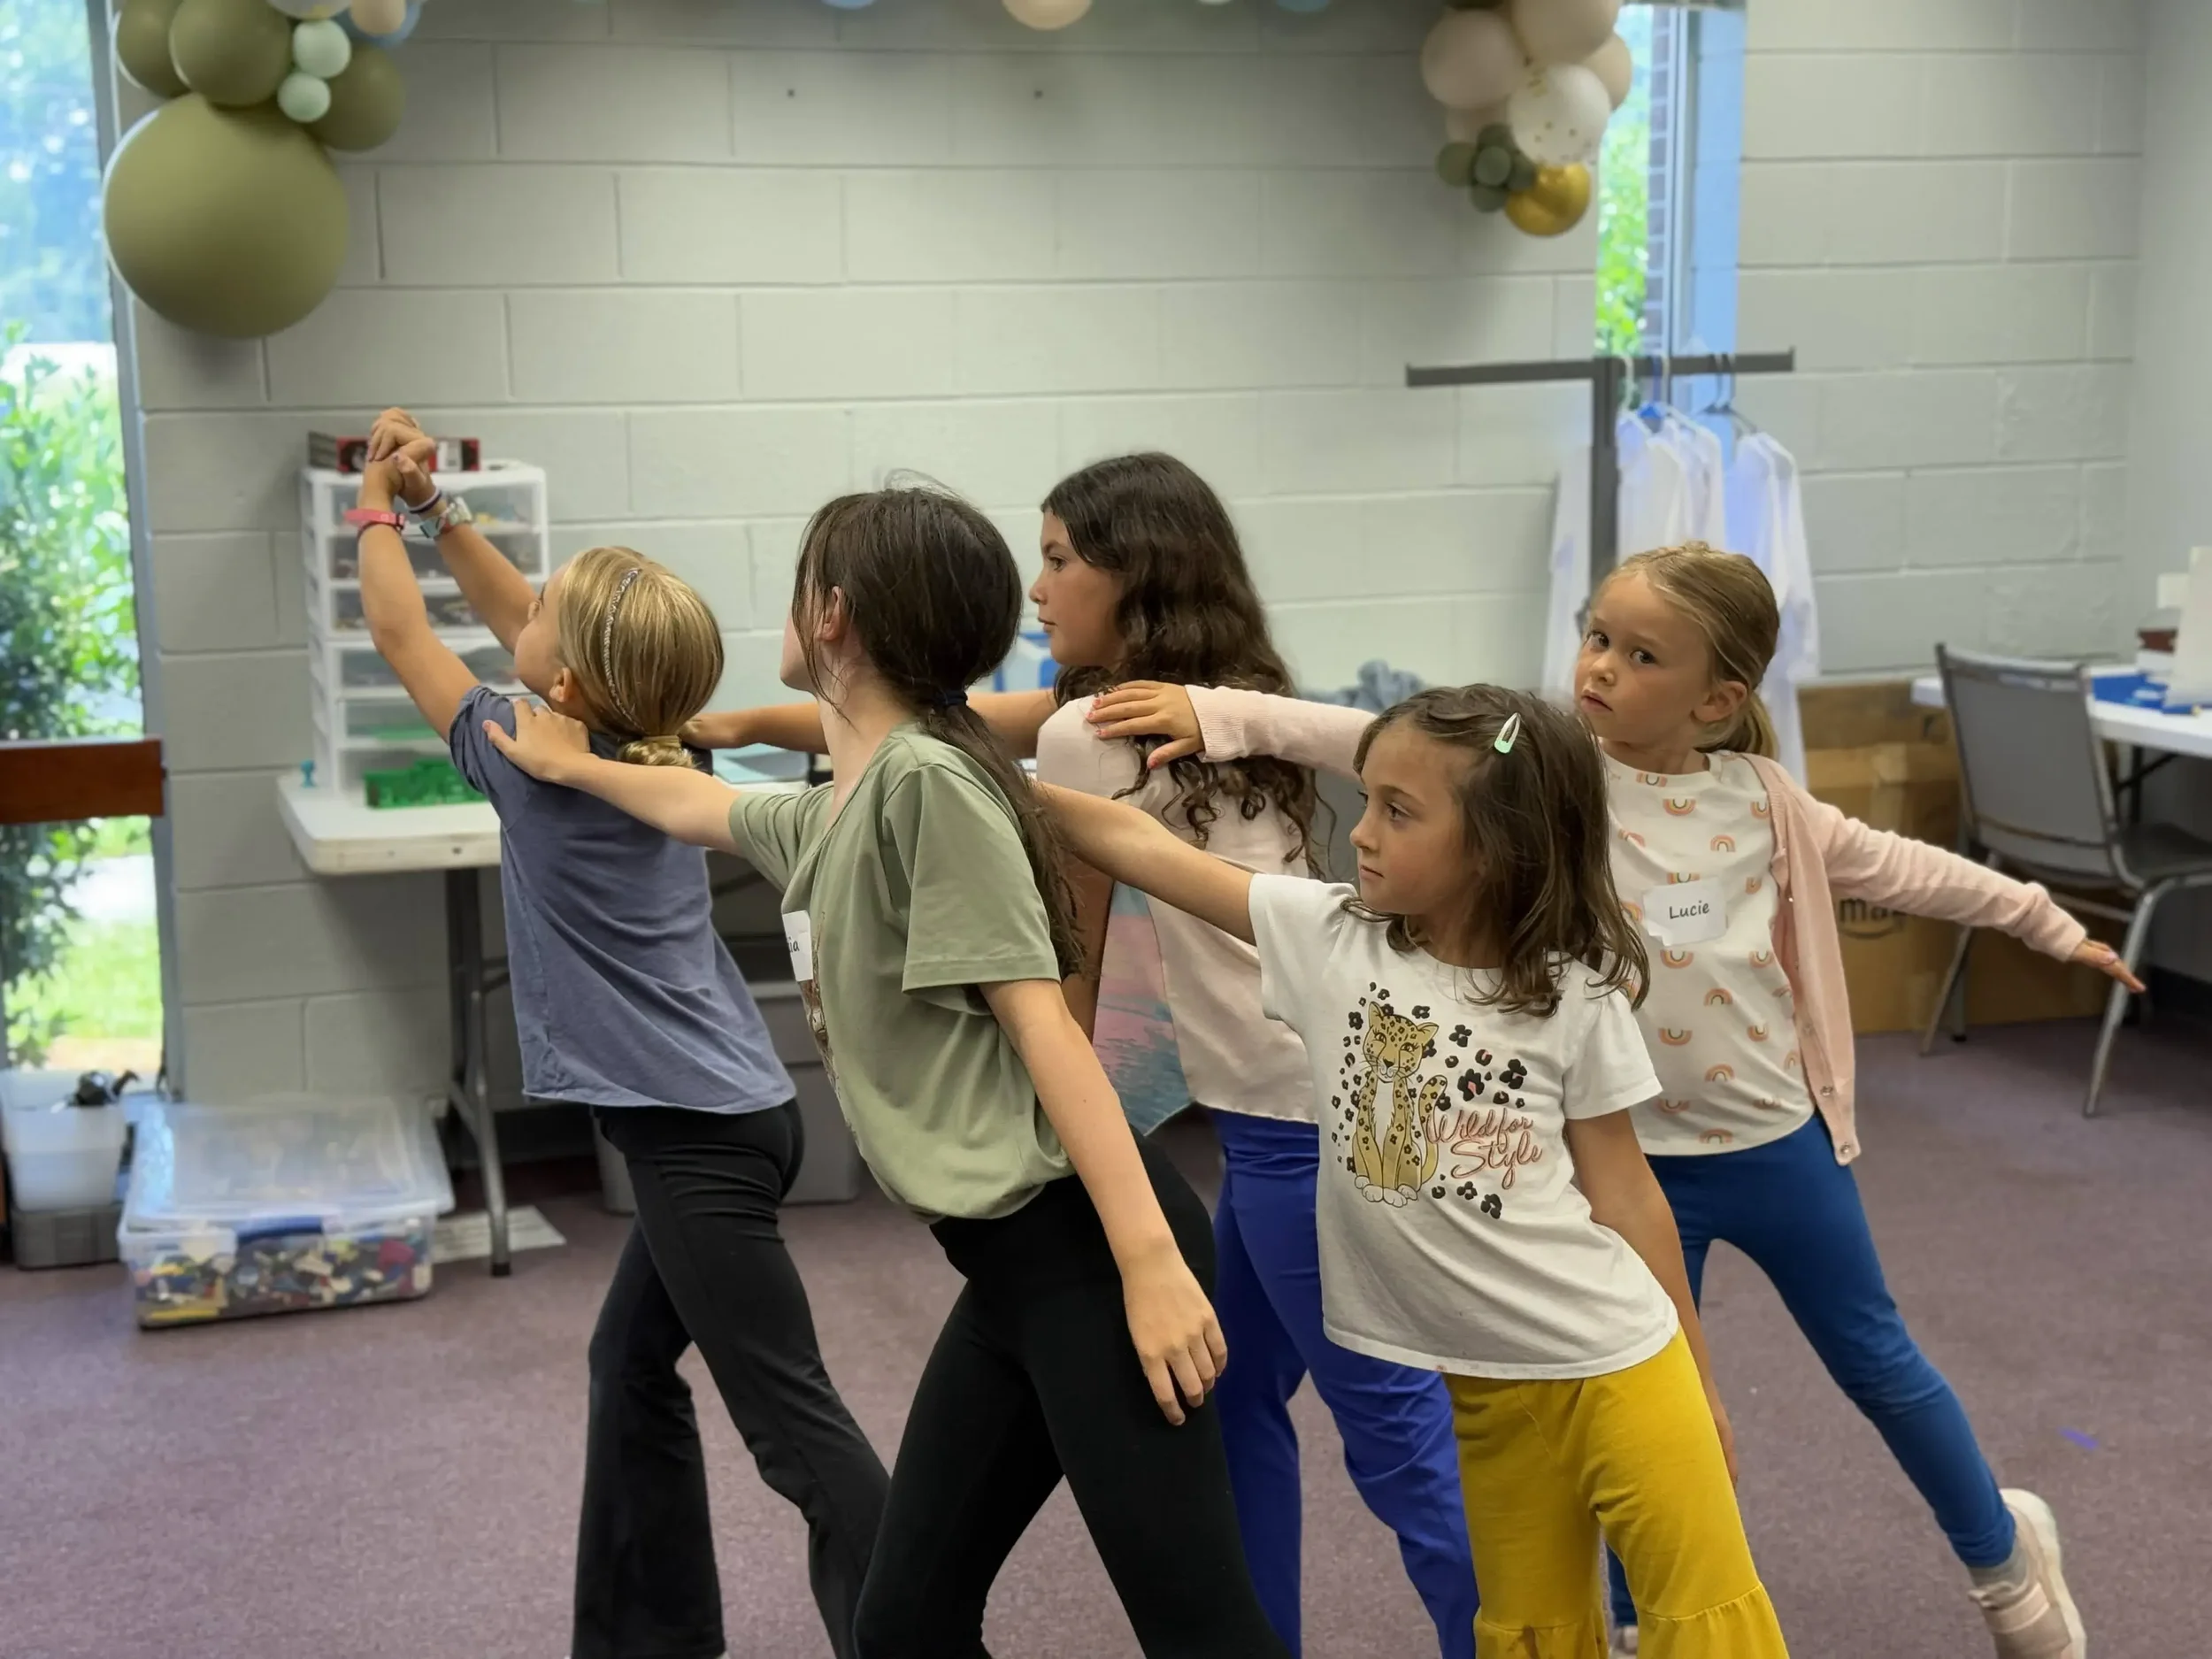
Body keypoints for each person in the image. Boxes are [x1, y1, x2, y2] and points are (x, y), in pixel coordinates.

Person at [1095, 542, 2133, 1659]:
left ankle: (2004, 1567)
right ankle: (1636, 1627)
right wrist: (1217, 710)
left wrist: (2048, 921)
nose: (1598, 668)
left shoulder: (1764, 802)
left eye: (1639, 656)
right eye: (1596, 638)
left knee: (1876, 1360)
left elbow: (1909, 870)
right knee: (1645, 1418)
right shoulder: (1542, 774)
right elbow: (1362, 739)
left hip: (1776, 1143)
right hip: (1631, 1166)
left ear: (1718, 698)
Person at [482, 482, 1287, 1659]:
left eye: (802, 578)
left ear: (835, 617)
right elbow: (697, 804)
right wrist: (578, 764)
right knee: (903, 1620)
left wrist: (1152, 1267)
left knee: (1201, 1628)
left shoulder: (924, 784)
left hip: (1088, 1251)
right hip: (1014, 1263)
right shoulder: (851, 799)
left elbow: (1045, 1030)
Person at [691, 453, 1477, 1657]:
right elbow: (954, 724)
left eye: (1060, 558)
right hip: (1282, 1108)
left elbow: (1061, 985)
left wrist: (1131, 1228)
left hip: (1301, 1119)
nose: (1039, 587)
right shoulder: (1115, 716)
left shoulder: (1124, 727)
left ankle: (1543, 1634)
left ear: (1139, 570)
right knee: (1247, 1434)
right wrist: (737, 723)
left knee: (1391, 1432)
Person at [1040, 685, 1791, 1659]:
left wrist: (1700, 1382)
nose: (1361, 833)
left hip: (1616, 1368)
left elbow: (1625, 1195)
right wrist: (983, 774)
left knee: (1703, 1627)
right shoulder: (1326, 936)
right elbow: (1140, 848)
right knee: (1529, 1632)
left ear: (1496, 846)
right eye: (1368, 800)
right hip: (1487, 1385)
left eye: (1399, 812)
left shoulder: (1568, 989)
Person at [351, 411, 888, 1659]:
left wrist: (374, 506)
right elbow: (526, 617)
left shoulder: (522, 752)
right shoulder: (646, 736)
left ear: (567, 678)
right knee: (627, 1364)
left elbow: (399, 629)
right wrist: (442, 513)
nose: (519, 615)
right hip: (725, 1112)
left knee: (792, 1425)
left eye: (541, 621)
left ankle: (912, 1623)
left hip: (692, 1137)